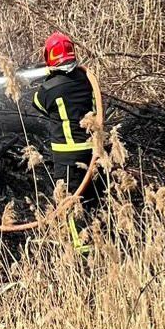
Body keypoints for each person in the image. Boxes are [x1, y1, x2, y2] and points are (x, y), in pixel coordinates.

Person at [32, 32, 98, 253]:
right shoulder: (85, 80)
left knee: (70, 201)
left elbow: (38, 104)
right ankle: (98, 239)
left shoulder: (49, 88)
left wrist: (49, 78)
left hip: (66, 154)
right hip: (91, 149)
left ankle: (82, 250)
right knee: (90, 197)